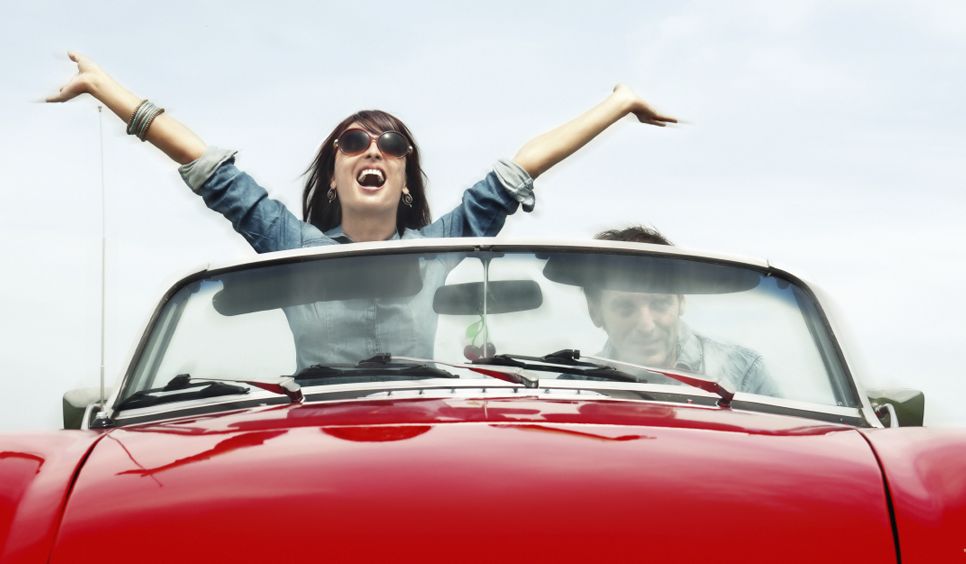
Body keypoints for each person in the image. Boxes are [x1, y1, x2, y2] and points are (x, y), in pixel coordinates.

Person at [46, 52, 677, 369]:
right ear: (336, 170)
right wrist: (106, 89)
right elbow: (214, 173)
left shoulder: (440, 245)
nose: (373, 150)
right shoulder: (292, 245)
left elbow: (519, 170)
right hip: (315, 430)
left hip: (421, 428)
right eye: (354, 142)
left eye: (392, 145)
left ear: (403, 175)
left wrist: (618, 104)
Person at [585, 226, 780, 396]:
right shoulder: (569, 387)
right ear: (595, 312)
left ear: (681, 300)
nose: (646, 326)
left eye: (660, 303)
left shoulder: (745, 375)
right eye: (625, 307)